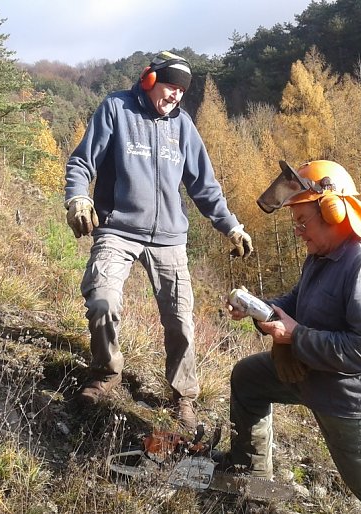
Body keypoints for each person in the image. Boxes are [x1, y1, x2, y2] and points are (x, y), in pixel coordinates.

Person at [65, 50, 253, 431]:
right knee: (102, 300)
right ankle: (106, 372)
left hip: (169, 237)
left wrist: (230, 226)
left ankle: (183, 396)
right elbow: (83, 161)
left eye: (182, 91)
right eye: (170, 87)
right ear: (150, 81)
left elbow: (205, 186)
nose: (175, 96)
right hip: (117, 228)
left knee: (181, 321)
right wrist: (78, 196)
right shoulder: (117, 109)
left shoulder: (183, 126)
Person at [225, 160, 361, 513]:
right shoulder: (321, 253)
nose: (298, 231)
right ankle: (252, 479)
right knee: (248, 379)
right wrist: (260, 309)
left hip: (351, 400)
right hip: (310, 373)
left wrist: (295, 338)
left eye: (302, 221)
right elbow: (298, 301)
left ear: (333, 211)